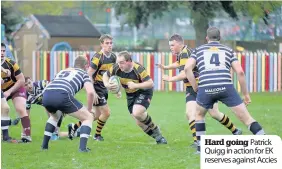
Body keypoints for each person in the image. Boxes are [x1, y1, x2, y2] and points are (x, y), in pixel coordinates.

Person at [184, 27, 265, 153]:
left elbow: (187, 68)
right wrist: (246, 95)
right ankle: (264, 142)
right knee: (246, 119)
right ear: (220, 38)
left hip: (206, 87)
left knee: (199, 115)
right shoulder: (228, 51)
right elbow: (240, 72)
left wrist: (195, 86)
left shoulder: (198, 51)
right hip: (226, 87)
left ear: (207, 38)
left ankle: (201, 149)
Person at [157, 34, 242, 147]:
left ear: (179, 43)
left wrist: (170, 79)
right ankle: (197, 141)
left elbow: (184, 73)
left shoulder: (185, 53)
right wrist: (166, 67)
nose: (171, 47)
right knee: (190, 113)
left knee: (215, 114)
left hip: (200, 86)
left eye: (172, 45)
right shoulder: (183, 52)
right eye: (170, 45)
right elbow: (179, 64)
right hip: (192, 88)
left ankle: (235, 131)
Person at [103, 51, 167, 144]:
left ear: (129, 61)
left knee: (137, 112)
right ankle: (159, 137)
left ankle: (155, 129)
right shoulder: (117, 67)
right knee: (139, 122)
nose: (119, 65)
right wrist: (107, 84)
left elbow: (150, 83)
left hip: (143, 91)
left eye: (122, 62)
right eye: (118, 63)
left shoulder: (138, 69)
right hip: (130, 94)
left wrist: (135, 85)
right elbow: (106, 75)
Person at [41, 56, 96, 152]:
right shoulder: (84, 73)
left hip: (46, 94)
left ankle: (44, 146)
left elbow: (51, 85)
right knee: (88, 117)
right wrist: (90, 109)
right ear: (86, 66)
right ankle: (82, 149)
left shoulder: (62, 71)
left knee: (54, 117)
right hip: (62, 94)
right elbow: (90, 92)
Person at [68, 34, 116, 141]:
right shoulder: (97, 58)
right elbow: (89, 74)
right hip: (97, 88)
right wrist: (93, 91)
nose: (109, 45)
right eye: (107, 43)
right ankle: (97, 135)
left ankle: (74, 127)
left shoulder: (113, 57)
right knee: (106, 113)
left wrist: (113, 85)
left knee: (97, 114)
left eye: (111, 43)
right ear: (101, 44)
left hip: (104, 88)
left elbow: (111, 73)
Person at [1, 42, 32, 142]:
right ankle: (5, 136)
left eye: (3, 51)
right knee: (4, 110)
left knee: (21, 108)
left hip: (15, 88)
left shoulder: (11, 63)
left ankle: (27, 136)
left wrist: (9, 92)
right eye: (0, 51)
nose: (2, 53)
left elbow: (22, 80)